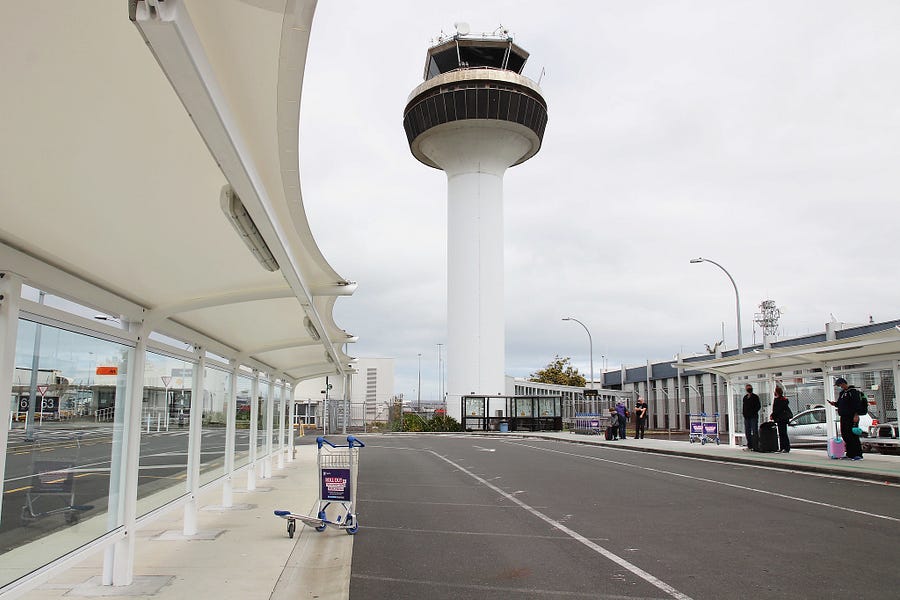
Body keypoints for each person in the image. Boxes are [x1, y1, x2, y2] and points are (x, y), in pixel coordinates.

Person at [829, 377, 863, 460]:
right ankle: (850, 453)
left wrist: (856, 415)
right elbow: (840, 404)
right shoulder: (842, 393)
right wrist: (834, 404)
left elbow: (856, 404)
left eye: (840, 385)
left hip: (851, 417)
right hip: (843, 417)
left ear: (843, 383)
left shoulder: (853, 392)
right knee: (845, 435)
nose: (840, 387)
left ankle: (857, 454)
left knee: (853, 435)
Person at [770, 386, 792, 453]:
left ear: (777, 392)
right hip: (783, 419)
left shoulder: (778, 400)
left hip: (780, 419)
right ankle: (785, 447)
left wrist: (772, 415)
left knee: (782, 434)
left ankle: (784, 447)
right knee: (783, 433)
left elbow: (776, 410)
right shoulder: (784, 399)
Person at [742, 384, 761, 451]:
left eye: (750, 388)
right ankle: (750, 445)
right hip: (746, 417)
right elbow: (744, 407)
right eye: (747, 388)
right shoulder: (745, 397)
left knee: (754, 431)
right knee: (747, 431)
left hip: (753, 417)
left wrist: (753, 412)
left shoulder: (755, 397)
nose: (749, 389)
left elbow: (758, 406)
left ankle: (756, 446)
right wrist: (744, 414)